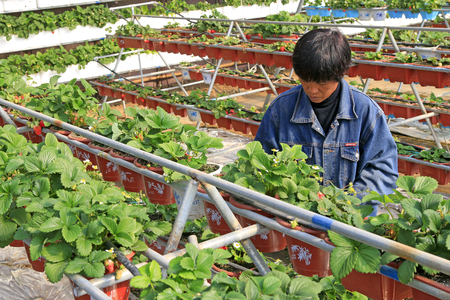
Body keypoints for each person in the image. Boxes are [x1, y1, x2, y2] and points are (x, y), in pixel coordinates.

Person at [254, 28, 398, 216]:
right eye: (305, 80)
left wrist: (348, 207)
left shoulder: (365, 112)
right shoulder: (280, 111)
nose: (312, 90)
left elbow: (382, 169)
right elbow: (261, 161)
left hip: (349, 222)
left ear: (339, 73)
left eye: (321, 82)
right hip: (295, 220)